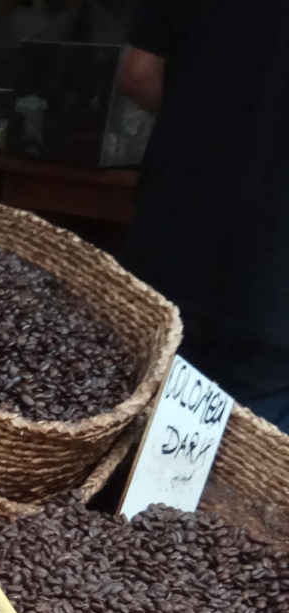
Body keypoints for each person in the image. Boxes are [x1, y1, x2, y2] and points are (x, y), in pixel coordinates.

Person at [119, 1, 289, 431]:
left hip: (173, 231)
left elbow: (139, 74)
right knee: (247, 473)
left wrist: (207, 126)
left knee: (133, 431)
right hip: (273, 280)